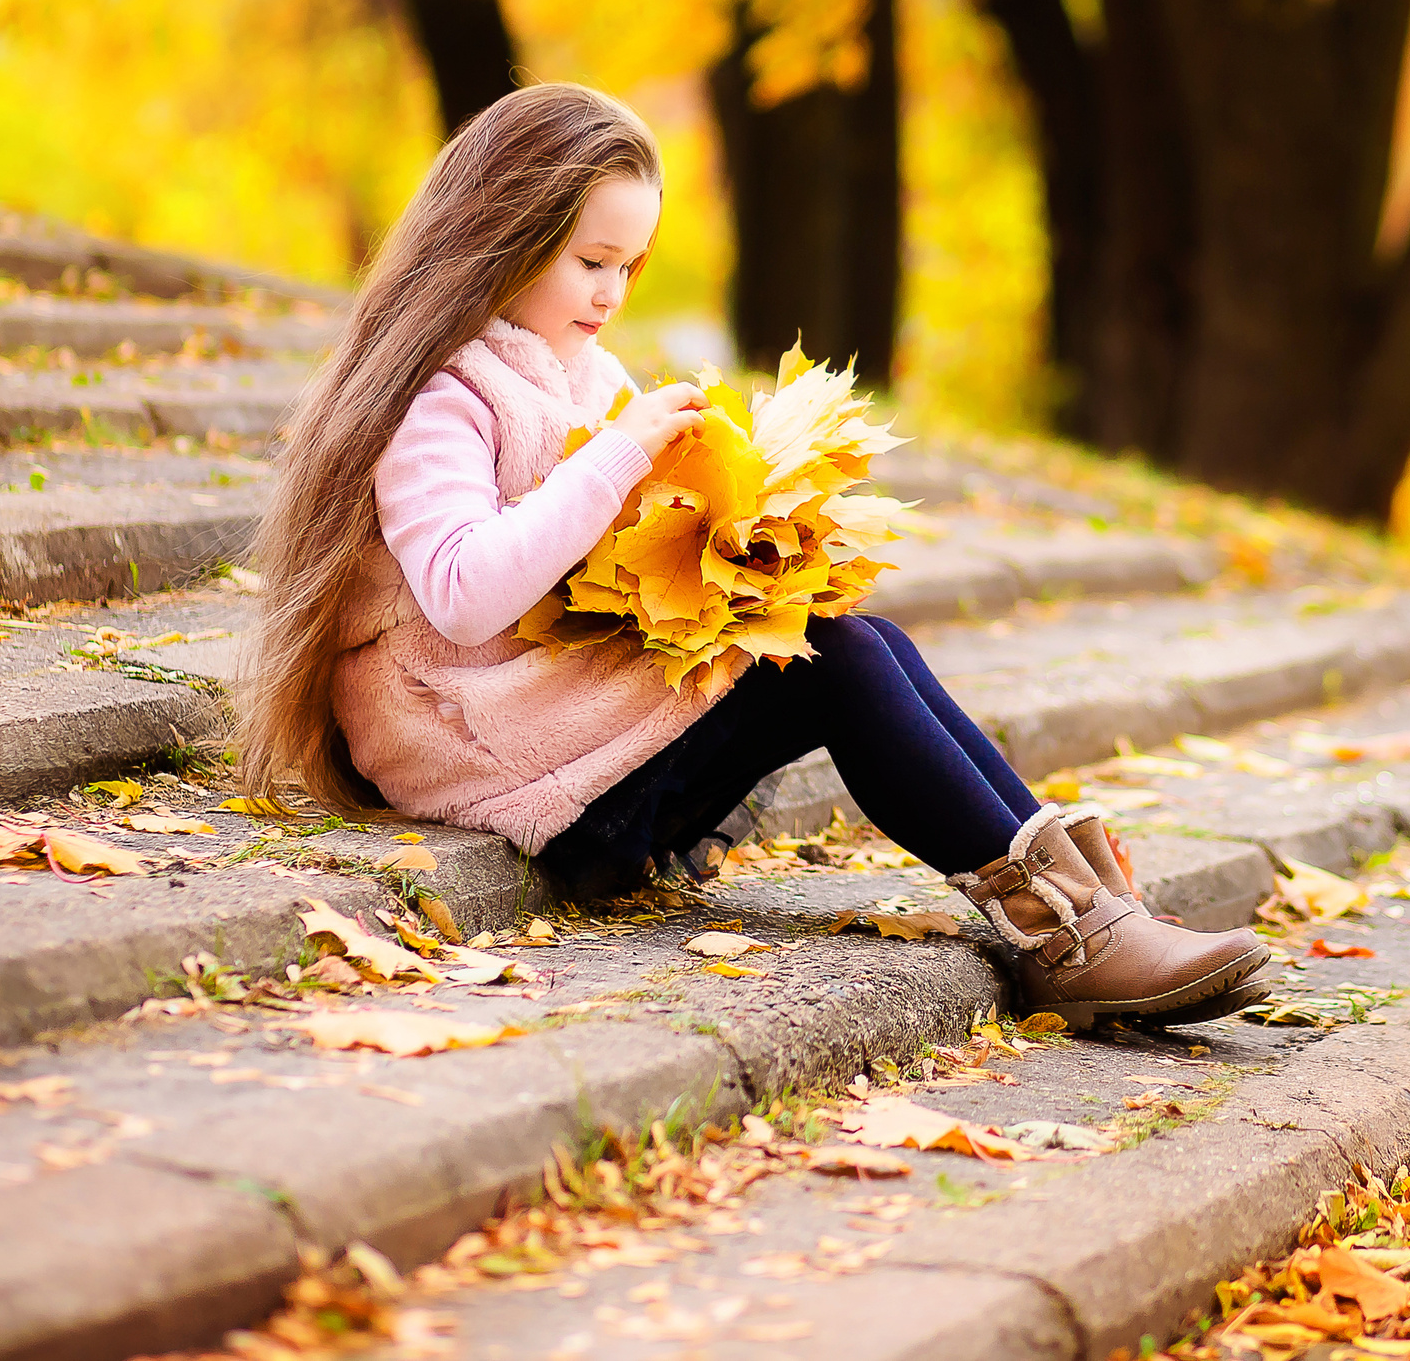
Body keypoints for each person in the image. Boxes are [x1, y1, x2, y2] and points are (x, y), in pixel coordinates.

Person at [239, 83, 1270, 1029]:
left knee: (862, 637)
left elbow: (611, 548)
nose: (609, 293)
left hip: (570, 731)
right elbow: (464, 596)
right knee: (844, 664)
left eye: (628, 268)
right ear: (502, 236)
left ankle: (1092, 904)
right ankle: (1063, 931)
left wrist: (743, 536)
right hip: (507, 764)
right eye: (589, 262)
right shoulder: (440, 401)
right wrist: (619, 459)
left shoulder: (572, 371)